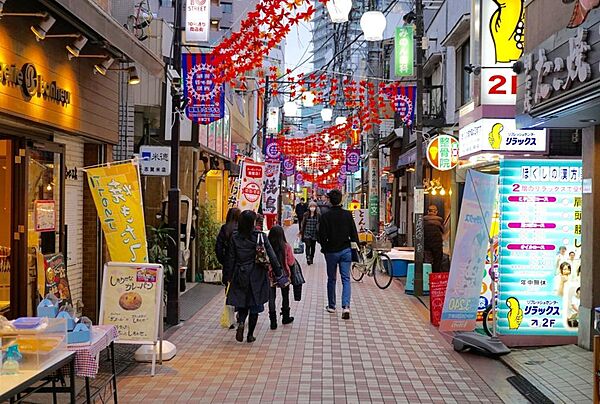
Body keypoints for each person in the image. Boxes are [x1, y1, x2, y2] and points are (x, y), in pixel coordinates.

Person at [224, 210, 288, 343]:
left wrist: (228, 276)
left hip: (240, 273)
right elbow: (271, 255)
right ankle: (250, 335)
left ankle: (241, 322)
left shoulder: (235, 237)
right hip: (257, 274)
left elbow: (230, 258)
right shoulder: (260, 236)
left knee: (243, 302)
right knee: (254, 304)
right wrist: (278, 273)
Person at [318, 189, 359, 320]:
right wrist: (356, 246)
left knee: (332, 278)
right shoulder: (347, 215)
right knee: (346, 279)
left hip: (331, 251)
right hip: (346, 250)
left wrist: (324, 247)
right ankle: (346, 306)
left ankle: (331, 306)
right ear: (341, 200)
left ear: (330, 200)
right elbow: (354, 234)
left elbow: (321, 236)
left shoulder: (325, 216)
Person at [267, 225, 295, 329]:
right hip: (284, 274)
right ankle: (285, 317)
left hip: (270, 275)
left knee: (271, 298)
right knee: (285, 295)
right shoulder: (286, 246)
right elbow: (291, 262)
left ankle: (273, 322)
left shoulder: (267, 246)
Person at [215, 208, 241, 279]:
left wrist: (223, 260)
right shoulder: (242, 228)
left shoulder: (225, 228)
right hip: (241, 263)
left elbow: (218, 247)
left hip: (228, 261)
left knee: (228, 285)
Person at [423, 205, 444, 273]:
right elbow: (443, 231)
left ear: (428, 211)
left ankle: (427, 274)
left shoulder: (423, 220)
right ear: (436, 212)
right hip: (437, 244)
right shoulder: (439, 220)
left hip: (426, 244)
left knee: (427, 260)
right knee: (437, 260)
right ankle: (435, 275)